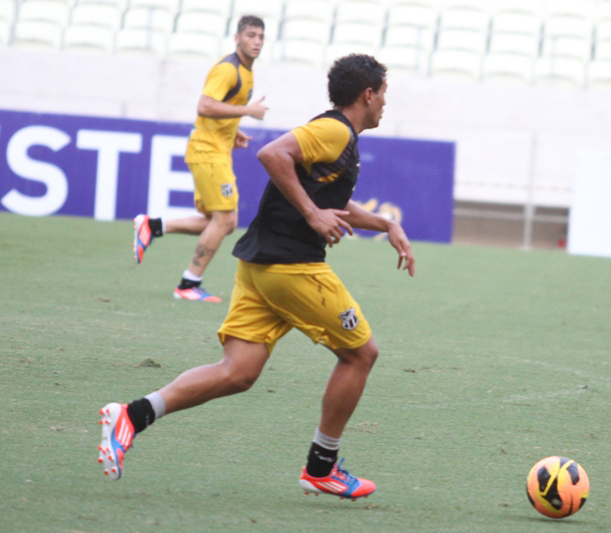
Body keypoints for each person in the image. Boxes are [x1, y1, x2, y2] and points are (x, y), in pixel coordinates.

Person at [98, 54, 415, 500]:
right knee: (361, 355)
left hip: (259, 267)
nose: (385, 102)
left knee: (237, 372)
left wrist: (386, 225)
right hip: (291, 268)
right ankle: (321, 467)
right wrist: (311, 213)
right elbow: (272, 154)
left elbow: (332, 204)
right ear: (368, 94)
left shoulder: (340, 138)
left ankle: (132, 414)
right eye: (383, 93)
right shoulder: (334, 130)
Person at [132, 15, 269, 303]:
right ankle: (187, 284)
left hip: (216, 149)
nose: (256, 41)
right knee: (226, 219)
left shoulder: (246, 71)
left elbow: (219, 109)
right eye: (251, 35)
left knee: (217, 220)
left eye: (260, 36)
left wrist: (233, 133)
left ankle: (154, 226)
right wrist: (246, 110)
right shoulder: (228, 69)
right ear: (237, 37)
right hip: (207, 153)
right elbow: (205, 105)